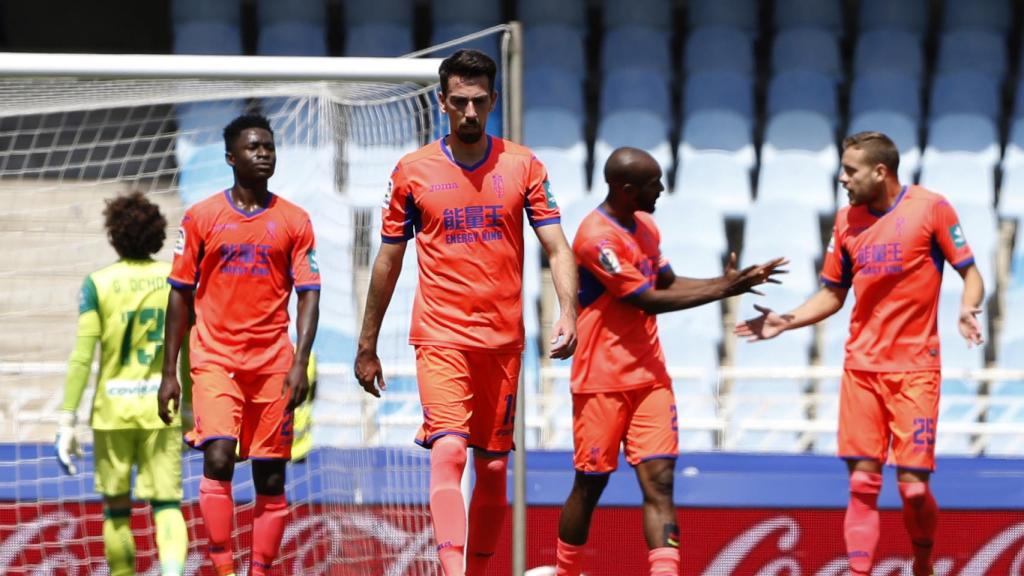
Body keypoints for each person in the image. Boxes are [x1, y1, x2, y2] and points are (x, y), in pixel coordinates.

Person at [354, 48, 579, 576]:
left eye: (479, 102)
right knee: (449, 450)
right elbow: (388, 260)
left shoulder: (523, 165)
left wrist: (569, 311)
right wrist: (367, 344)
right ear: (442, 103)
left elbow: (558, 247)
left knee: (494, 467)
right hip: (440, 335)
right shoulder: (412, 172)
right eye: (460, 102)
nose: (470, 112)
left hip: (502, 341)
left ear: (494, 100)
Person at [734, 131, 985, 576]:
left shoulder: (931, 208)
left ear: (880, 171)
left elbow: (971, 273)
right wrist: (785, 320)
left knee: (912, 490)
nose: (842, 179)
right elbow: (833, 294)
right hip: (862, 370)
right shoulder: (846, 222)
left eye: (850, 171)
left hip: (915, 371)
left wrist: (968, 307)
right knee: (863, 485)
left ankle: (922, 560)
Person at [554, 148, 787, 576]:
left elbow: (666, 281)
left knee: (660, 482)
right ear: (626, 190)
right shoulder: (595, 237)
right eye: (653, 184)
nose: (661, 190)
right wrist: (724, 292)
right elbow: (645, 299)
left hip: (650, 378)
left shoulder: (645, 226)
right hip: (601, 379)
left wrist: (729, 279)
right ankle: (566, 571)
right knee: (590, 483)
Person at [158, 113, 321, 576]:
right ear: (231, 158)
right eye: (253, 147)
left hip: (273, 363)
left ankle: (261, 570)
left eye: (268, 146)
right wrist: (170, 372)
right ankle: (224, 566)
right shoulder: (202, 217)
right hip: (215, 359)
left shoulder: (294, 220)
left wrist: (300, 362)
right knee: (218, 455)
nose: (264, 153)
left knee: (270, 475)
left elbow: (310, 292)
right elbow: (179, 292)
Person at [56, 191, 189, 576]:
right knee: (167, 506)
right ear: (158, 235)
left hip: (111, 410)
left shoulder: (98, 283)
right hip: (160, 410)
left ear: (113, 235)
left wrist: (67, 418)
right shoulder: (175, 279)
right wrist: (194, 407)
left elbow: (83, 354)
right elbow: (190, 347)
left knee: (116, 510)